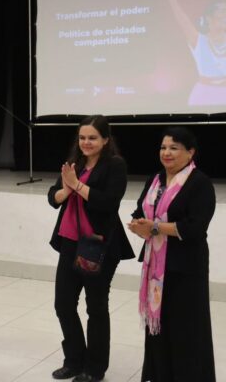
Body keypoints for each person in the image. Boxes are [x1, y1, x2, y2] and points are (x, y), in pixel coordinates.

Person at [47, 115, 134, 382]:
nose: (86, 142)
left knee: (95, 308)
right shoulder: (75, 163)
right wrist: (65, 190)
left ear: (105, 140)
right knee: (63, 304)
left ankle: (95, 368)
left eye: (92, 138)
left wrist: (77, 185)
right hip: (70, 242)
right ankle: (74, 360)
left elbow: (108, 203)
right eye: (82, 137)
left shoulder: (115, 165)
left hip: (98, 245)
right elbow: (53, 197)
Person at [128, 127, 216, 382]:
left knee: (185, 329)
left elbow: (195, 228)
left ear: (190, 152)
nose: (166, 152)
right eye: (163, 147)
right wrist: (138, 225)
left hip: (185, 268)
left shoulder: (199, 183)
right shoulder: (155, 180)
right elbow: (140, 212)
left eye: (174, 148)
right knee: (159, 328)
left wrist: (155, 227)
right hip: (156, 266)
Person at [169, 0, 226, 105]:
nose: (225, 14)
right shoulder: (199, 40)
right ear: (209, 18)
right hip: (204, 96)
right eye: (221, 11)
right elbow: (183, 21)